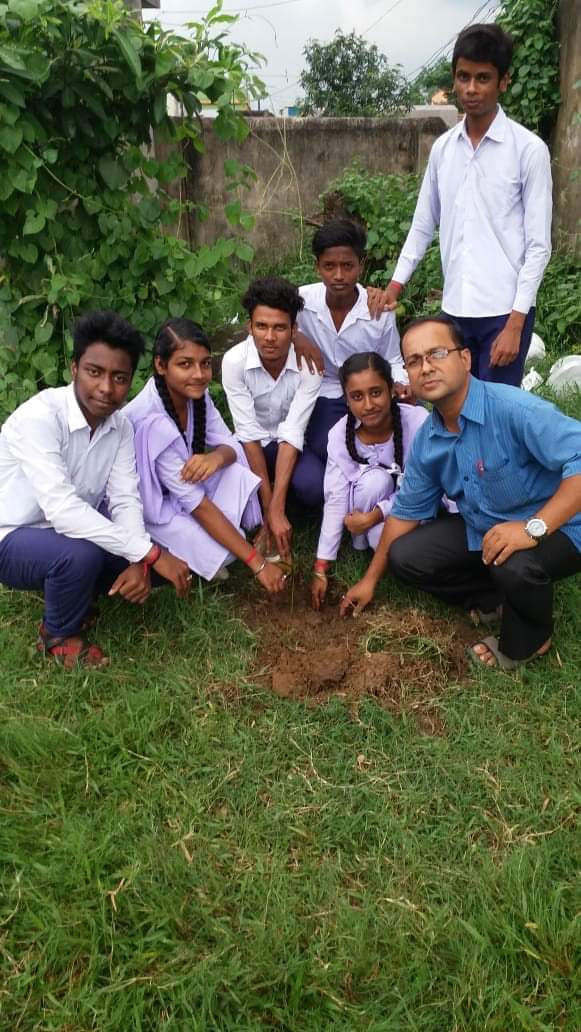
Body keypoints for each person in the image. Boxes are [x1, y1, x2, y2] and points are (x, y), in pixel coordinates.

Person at [340, 316, 581, 671]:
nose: (426, 367)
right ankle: (495, 599)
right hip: (487, 524)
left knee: (514, 564)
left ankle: (530, 639)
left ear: (465, 359)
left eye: (437, 353)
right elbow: (405, 512)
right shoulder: (429, 440)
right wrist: (370, 580)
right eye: (414, 360)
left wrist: (531, 529)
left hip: (563, 525)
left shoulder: (515, 410)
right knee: (405, 556)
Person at [0, 310, 191, 669]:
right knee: (81, 556)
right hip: (11, 535)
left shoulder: (120, 427)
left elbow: (125, 499)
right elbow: (63, 511)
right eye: (94, 372)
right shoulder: (40, 417)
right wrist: (148, 553)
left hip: (70, 532)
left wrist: (140, 560)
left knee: (160, 559)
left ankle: (77, 592)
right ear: (74, 368)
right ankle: (57, 636)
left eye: (119, 377)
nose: (106, 388)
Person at [370, 24, 552, 387]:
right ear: (454, 78)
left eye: (483, 78)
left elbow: (538, 247)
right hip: (455, 309)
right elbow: (423, 224)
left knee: (496, 409)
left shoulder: (528, 150)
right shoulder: (443, 149)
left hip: (504, 311)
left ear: (503, 82)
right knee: (454, 404)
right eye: (463, 77)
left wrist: (516, 324)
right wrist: (395, 286)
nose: (471, 88)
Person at [124, 318, 286, 594]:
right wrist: (258, 564)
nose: (198, 374)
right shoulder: (149, 420)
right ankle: (160, 551)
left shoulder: (197, 395)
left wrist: (216, 458)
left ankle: (209, 543)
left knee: (237, 472)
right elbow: (196, 504)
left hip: (182, 494)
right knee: (227, 554)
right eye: (185, 364)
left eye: (205, 363)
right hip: (151, 508)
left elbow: (230, 445)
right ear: (161, 365)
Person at [311, 352, 428, 610]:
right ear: (346, 399)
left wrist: (377, 515)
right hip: (370, 506)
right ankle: (362, 543)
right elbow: (335, 498)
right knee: (375, 485)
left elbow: (422, 491)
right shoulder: (339, 434)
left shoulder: (418, 423)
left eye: (376, 393)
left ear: (391, 389)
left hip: (419, 508)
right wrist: (321, 565)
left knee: (393, 541)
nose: (368, 405)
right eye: (357, 396)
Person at [221, 277, 322, 561]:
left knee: (313, 486)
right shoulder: (234, 362)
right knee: (231, 488)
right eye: (261, 326)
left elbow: (293, 433)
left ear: (294, 330)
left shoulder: (309, 366)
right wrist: (270, 510)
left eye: (279, 327)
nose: (269, 337)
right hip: (251, 446)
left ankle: (284, 507)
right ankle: (268, 510)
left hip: (288, 446)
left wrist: (275, 509)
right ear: (249, 327)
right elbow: (248, 434)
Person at [297, 218, 408, 465]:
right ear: (317, 267)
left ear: (360, 265)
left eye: (347, 266)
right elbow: (264, 320)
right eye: (329, 266)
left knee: (400, 441)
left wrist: (401, 383)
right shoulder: (300, 301)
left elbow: (393, 359)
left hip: (370, 390)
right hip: (326, 391)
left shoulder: (378, 310)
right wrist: (296, 336)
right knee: (325, 447)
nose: (339, 276)